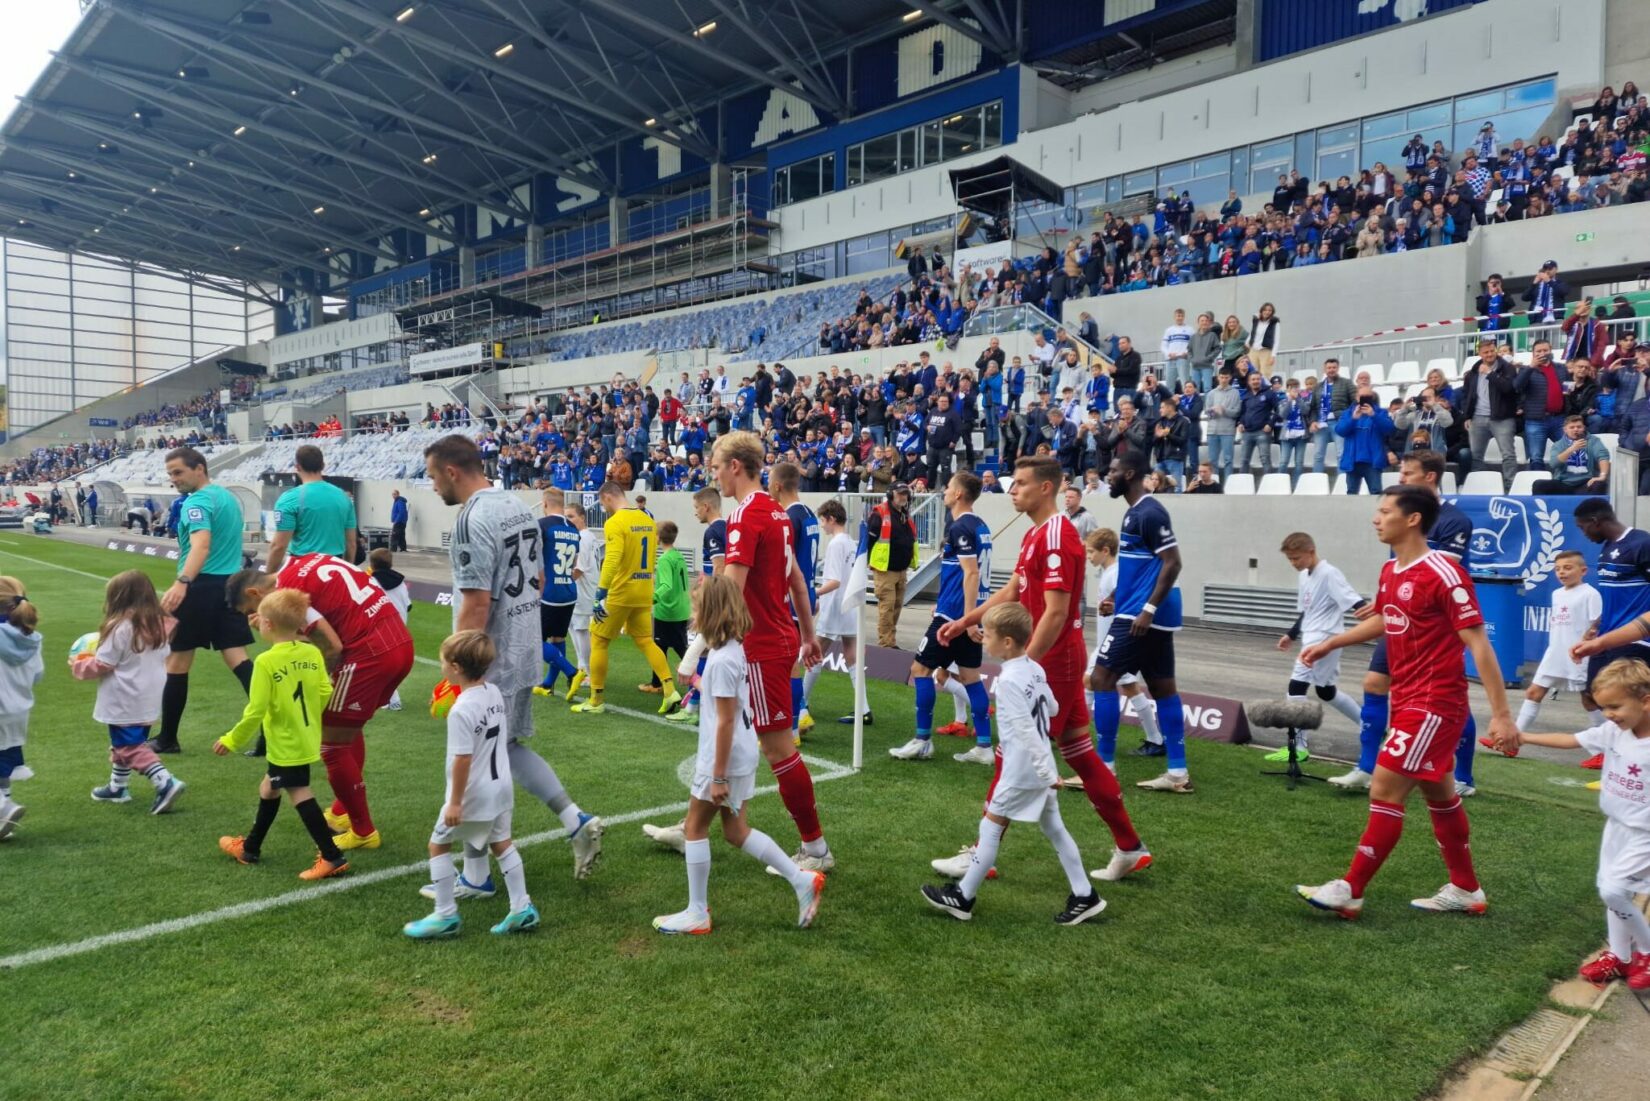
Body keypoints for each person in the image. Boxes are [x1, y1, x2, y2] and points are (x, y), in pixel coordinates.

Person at [1294, 487, 1516, 919]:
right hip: (1409, 698)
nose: (1376, 519)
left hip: (1435, 703)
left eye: (1384, 511)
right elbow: (1384, 618)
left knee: (1384, 787)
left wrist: (1502, 716)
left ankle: (1350, 889)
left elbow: (1478, 644)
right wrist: (1331, 642)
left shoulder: (1443, 573)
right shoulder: (1391, 569)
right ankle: (1467, 888)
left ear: (1412, 519)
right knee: (1440, 794)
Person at [936, 456, 1149, 885]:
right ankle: (1130, 847)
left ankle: (983, 855)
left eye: (1020, 484)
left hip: (1053, 661)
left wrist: (1023, 665)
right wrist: (966, 619)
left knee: (1011, 753)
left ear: (1046, 488)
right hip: (1054, 660)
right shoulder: (1037, 533)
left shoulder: (1056, 535)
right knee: (1080, 755)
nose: (1012, 491)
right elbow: (1015, 590)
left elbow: (1055, 612)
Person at [424, 434, 604, 887]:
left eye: (431, 477)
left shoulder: (473, 518)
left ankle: (478, 875)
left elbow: (477, 603)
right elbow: (540, 576)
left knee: (475, 760)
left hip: (489, 658)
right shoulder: (517, 505)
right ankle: (574, 820)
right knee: (507, 749)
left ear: (451, 471)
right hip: (525, 644)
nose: (431, 487)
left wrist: (460, 669)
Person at [651, 576, 826, 935]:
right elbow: (726, 702)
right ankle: (801, 880)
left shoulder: (721, 661)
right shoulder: (730, 651)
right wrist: (699, 685)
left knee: (696, 828)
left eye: (697, 607)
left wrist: (716, 776)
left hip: (726, 759)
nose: (692, 614)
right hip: (742, 755)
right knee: (736, 831)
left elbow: (726, 721)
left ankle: (697, 912)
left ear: (712, 612)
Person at [920, 603, 1108, 925]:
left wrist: (1048, 773)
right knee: (1054, 828)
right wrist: (1046, 763)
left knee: (990, 827)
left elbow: (1024, 730)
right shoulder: (1034, 668)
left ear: (1007, 642)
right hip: (1038, 763)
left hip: (1023, 769)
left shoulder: (1007, 681)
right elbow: (1052, 706)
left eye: (988, 634)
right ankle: (1085, 894)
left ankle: (963, 897)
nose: (983, 639)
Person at [709, 431, 833, 873]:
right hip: (778, 638)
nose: (715, 476)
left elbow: (733, 592)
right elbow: (797, 580)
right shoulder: (779, 513)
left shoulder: (744, 515)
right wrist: (809, 634)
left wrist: (706, 644)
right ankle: (694, 823)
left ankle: (815, 848)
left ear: (735, 467)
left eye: (717, 467)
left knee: (777, 748)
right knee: (729, 733)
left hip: (757, 647)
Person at [1492, 659, 1650, 989]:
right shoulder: (1612, 731)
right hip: (1616, 826)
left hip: (1645, 834)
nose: (1608, 714)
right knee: (1609, 891)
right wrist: (1524, 738)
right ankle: (1620, 957)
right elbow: (1572, 739)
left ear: (1646, 700)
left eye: (1615, 706)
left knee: (1614, 890)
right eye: (1604, 707)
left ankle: (1646, 952)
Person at [1335, 450, 1477, 792]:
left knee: (1448, 699)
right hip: (1400, 621)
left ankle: (1463, 776)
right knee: (1373, 683)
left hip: (1435, 629)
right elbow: (1403, 570)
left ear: (1429, 477)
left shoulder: (1454, 520)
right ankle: (1367, 767)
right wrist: (1384, 602)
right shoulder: (1399, 517)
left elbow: (1435, 577)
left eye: (1408, 473)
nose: (1400, 479)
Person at [403, 630, 540, 939]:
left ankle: (445, 915)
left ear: (455, 667)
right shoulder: (493, 692)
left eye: (442, 661)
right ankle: (521, 908)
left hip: (473, 793)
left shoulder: (461, 710)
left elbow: (462, 759)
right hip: (501, 786)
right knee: (502, 843)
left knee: (438, 845)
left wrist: (454, 802)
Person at [213, 589, 350, 881]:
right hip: (304, 736)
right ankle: (249, 849)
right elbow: (325, 690)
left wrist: (231, 740)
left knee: (298, 791)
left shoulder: (265, 661)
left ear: (268, 625)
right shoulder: (312, 651)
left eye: (260, 619)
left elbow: (256, 709)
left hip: (286, 741)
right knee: (269, 787)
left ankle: (331, 856)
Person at [1086, 451, 1194, 793]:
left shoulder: (1149, 511)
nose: (1109, 474)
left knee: (1102, 679)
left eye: (1114, 470)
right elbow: (1143, 568)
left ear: (1130, 474)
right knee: (1163, 688)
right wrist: (1115, 598)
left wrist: (1146, 608)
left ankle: (1104, 768)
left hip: (1142, 615)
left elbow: (1172, 563)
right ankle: (1177, 773)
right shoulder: (1135, 513)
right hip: (1138, 609)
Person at [153, 446, 255, 755]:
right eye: (170, 474)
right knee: (237, 656)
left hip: (200, 586)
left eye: (179, 472)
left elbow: (201, 544)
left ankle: (168, 738)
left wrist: (183, 582)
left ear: (200, 468)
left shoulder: (195, 502)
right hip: (230, 585)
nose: (174, 479)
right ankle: (272, 728)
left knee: (178, 660)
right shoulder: (226, 498)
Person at [890, 471, 993, 764]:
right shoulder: (980, 525)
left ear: (959, 493)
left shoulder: (961, 526)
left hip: (954, 616)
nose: (945, 491)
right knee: (972, 678)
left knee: (920, 670)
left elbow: (971, 573)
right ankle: (984, 746)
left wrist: (969, 619)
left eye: (949, 487)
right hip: (965, 612)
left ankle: (922, 741)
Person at [75, 570, 185, 814]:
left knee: (129, 746)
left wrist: (79, 665)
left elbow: (104, 663)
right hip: (149, 694)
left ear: (117, 598)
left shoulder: (120, 628)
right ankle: (118, 787)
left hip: (125, 695)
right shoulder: (160, 624)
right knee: (126, 742)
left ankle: (165, 782)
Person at [570, 482, 679, 715]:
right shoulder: (648, 521)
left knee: (598, 639)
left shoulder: (615, 522)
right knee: (645, 641)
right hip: (643, 590)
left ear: (608, 497)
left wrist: (601, 592)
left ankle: (596, 699)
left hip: (620, 592)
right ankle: (670, 691)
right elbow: (651, 558)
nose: (603, 507)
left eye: (601, 502)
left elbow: (612, 560)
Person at [1272, 533, 1367, 760]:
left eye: (1297, 558)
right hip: (1312, 637)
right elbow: (1307, 610)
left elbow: (1355, 602)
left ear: (1311, 552)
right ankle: (1372, 727)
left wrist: (1378, 621)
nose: (1294, 563)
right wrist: (1291, 634)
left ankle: (1299, 748)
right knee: (1326, 692)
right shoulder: (1304, 575)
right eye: (1290, 559)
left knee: (1295, 689)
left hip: (1325, 639)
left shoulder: (1329, 573)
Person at [1085, 528, 1164, 760]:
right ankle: (1155, 739)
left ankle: (1070, 734)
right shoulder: (1109, 572)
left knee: (1090, 682)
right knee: (1130, 688)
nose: (1088, 556)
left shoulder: (1114, 573)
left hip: (1112, 643)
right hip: (1110, 642)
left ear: (1105, 550)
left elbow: (1126, 606)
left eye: (1091, 552)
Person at [1508, 551, 1599, 734]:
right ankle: (1514, 739)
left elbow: (1597, 622)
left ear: (1583, 571)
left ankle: (1608, 746)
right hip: (1554, 654)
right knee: (1533, 693)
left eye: (1567, 568)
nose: (1561, 573)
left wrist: (1584, 645)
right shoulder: (1557, 594)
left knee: (1589, 699)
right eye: (1557, 569)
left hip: (1578, 656)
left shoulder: (1590, 593)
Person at [665, 487, 726, 726]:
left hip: (716, 600)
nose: (695, 513)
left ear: (706, 507)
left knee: (702, 650)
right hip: (723, 597)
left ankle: (697, 706)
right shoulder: (727, 527)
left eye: (696, 508)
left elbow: (720, 567)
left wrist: (708, 600)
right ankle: (693, 706)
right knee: (707, 652)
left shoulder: (713, 530)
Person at [770, 463, 822, 737]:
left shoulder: (788, 517)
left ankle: (791, 728)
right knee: (791, 663)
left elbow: (786, 564)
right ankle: (800, 713)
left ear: (778, 485)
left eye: (769, 481)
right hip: (806, 594)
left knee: (787, 665)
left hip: (791, 598)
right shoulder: (809, 514)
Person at [811, 499, 869, 727]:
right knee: (851, 655)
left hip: (835, 606)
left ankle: (800, 703)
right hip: (850, 606)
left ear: (831, 519)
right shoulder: (852, 543)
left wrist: (813, 593)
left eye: (823, 521)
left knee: (813, 653)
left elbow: (834, 581)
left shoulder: (836, 544)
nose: (823, 526)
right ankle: (863, 708)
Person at [266, 444, 358, 573]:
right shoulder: (343, 497)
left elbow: (279, 546)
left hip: (303, 567)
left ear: (297, 467)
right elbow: (351, 543)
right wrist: (347, 570)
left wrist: (267, 577)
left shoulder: (289, 499)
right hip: (335, 567)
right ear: (323, 466)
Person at [0, 581, 42, 841]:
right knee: (3, 760)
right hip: (18, 710)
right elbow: (37, 675)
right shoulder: (30, 636)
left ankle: (4, 807)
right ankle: (3, 815)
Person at [533, 489, 582, 698]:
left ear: (544, 503)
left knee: (533, 642)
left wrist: (536, 593)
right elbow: (574, 562)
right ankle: (548, 684)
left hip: (550, 591)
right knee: (557, 637)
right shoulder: (572, 527)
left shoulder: (541, 525)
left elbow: (536, 563)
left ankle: (572, 672)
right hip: (569, 590)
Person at [865, 483, 918, 649]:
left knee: (896, 608)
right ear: (891, 494)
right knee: (887, 608)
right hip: (885, 570)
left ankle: (890, 640)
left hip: (901, 570)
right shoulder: (880, 513)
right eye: (900, 494)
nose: (903, 497)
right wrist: (868, 562)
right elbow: (869, 540)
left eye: (906, 494)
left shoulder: (905, 515)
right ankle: (886, 643)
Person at [644, 522, 691, 694]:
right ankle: (656, 683)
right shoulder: (677, 555)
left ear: (658, 537)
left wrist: (652, 599)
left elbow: (666, 585)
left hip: (668, 612)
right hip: (681, 608)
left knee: (681, 650)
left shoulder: (664, 559)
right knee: (661, 647)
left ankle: (701, 677)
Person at [563, 505, 602, 703]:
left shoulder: (583, 537)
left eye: (571, 516)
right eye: (565, 516)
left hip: (584, 589)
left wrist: (563, 581)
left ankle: (586, 670)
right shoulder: (586, 536)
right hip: (582, 589)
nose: (568, 520)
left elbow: (580, 568)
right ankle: (582, 667)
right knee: (574, 627)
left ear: (582, 517)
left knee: (581, 629)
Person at [368, 548, 410, 711]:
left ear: (372, 564)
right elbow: (408, 605)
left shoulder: (370, 582)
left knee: (381, 664)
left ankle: (392, 699)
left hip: (381, 628)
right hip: (400, 627)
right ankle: (389, 697)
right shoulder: (401, 582)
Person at [1533, 415, 1611, 495]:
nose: (1576, 429)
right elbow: (1554, 464)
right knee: (1538, 484)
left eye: (1579, 427)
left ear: (1583, 428)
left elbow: (1603, 456)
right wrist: (1571, 449)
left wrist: (1602, 476)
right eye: (1572, 427)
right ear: (1565, 430)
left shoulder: (1593, 441)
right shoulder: (1558, 444)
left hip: (1585, 482)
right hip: (1563, 483)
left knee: (1600, 484)